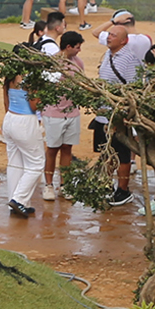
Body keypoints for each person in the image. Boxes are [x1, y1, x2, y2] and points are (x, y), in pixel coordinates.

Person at [95, 10, 155, 207]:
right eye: (110, 34)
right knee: (105, 152)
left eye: (113, 35)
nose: (109, 37)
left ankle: (122, 190)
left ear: (123, 41)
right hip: (103, 113)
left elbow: (133, 87)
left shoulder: (129, 58)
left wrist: (125, 115)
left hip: (118, 115)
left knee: (122, 154)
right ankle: (105, 185)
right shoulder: (107, 53)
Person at [41, 29, 87, 202]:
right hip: (53, 113)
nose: (79, 50)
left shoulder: (78, 63)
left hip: (72, 113)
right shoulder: (52, 63)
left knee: (67, 148)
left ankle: (65, 185)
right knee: (52, 149)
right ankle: (48, 185)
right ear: (68, 47)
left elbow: (83, 82)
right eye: (77, 47)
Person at [0, 67, 44, 219]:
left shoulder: (10, 76)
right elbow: (34, 105)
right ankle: (18, 200)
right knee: (36, 163)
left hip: (10, 117)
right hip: (26, 120)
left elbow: (6, 101)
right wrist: (43, 96)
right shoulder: (30, 79)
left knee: (15, 162)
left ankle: (18, 201)